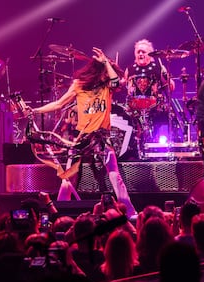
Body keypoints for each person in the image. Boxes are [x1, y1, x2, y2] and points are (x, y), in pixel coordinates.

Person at [30, 47, 138, 219]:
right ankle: (61, 212)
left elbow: (117, 82)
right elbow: (59, 103)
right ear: (98, 71)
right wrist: (35, 111)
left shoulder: (107, 86)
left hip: (102, 136)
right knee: (68, 176)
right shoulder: (79, 84)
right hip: (83, 136)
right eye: (105, 68)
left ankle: (130, 212)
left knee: (114, 175)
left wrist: (106, 62)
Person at [124, 39, 174, 153]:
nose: (140, 54)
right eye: (138, 52)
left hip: (154, 105)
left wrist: (168, 79)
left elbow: (170, 87)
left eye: (143, 52)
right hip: (134, 106)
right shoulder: (130, 69)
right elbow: (124, 87)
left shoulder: (158, 67)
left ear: (150, 54)